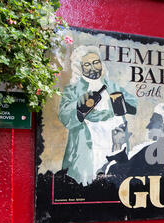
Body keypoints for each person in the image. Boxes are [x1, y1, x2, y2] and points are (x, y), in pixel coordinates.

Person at [58, 45, 137, 186]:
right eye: (87, 64)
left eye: (96, 62)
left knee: (115, 182)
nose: (93, 67)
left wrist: (120, 104)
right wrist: (80, 105)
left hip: (115, 143)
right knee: (90, 184)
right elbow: (65, 117)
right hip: (90, 146)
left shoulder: (112, 86)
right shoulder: (73, 90)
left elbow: (133, 105)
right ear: (79, 67)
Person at [105, 103, 164, 179]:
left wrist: (117, 145)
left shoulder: (156, 150)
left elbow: (119, 175)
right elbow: (130, 169)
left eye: (153, 121)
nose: (148, 126)